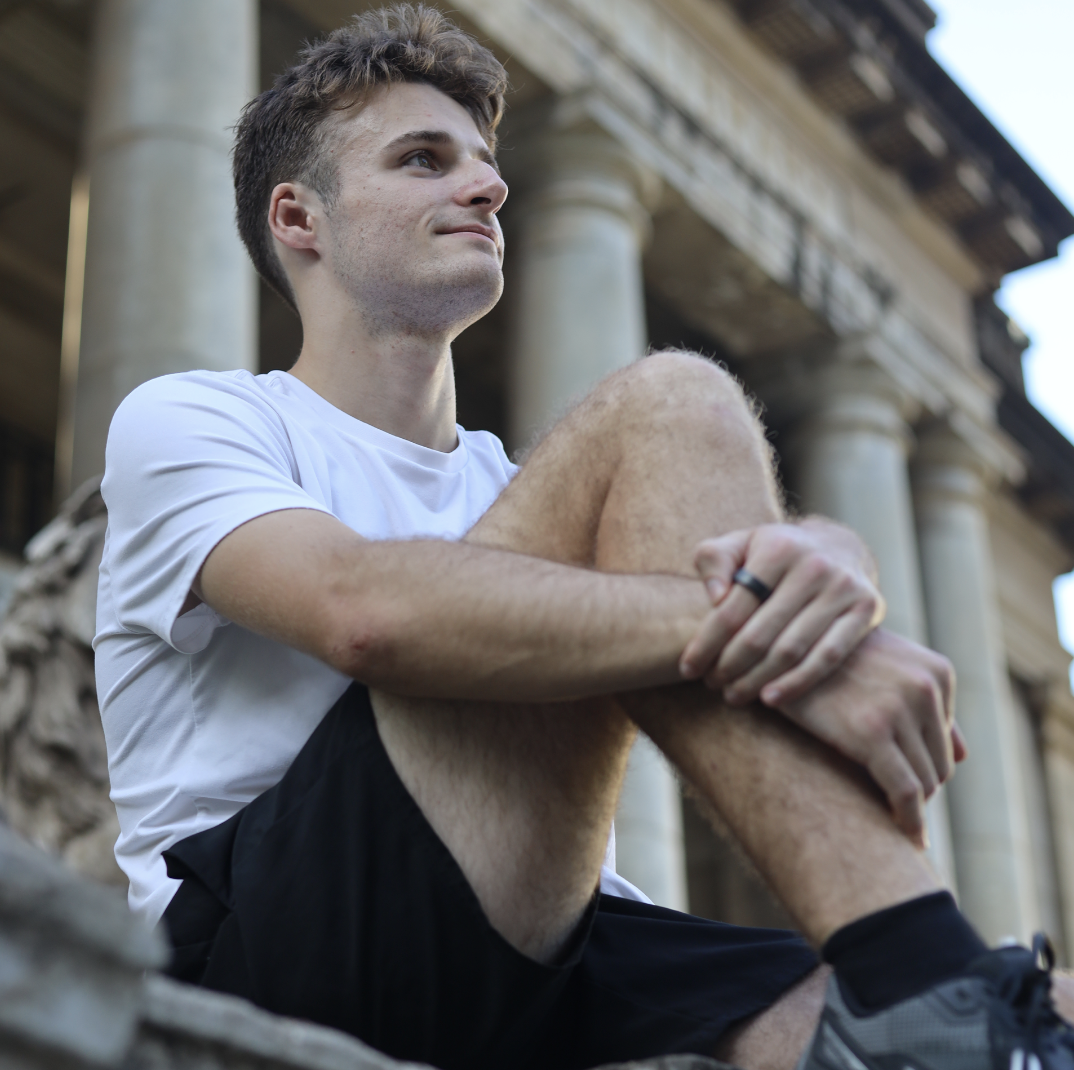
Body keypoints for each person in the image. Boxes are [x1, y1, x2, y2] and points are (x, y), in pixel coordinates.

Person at [93, 6, 1074, 1070]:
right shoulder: (197, 420)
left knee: (1008, 1018)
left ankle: (941, 993)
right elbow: (358, 610)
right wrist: (778, 622)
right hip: (269, 942)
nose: (486, 186)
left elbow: (647, 645)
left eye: (484, 162)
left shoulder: (518, 495)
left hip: (540, 938)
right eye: (423, 159)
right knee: (674, 402)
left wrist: (828, 559)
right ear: (299, 217)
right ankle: (926, 966)